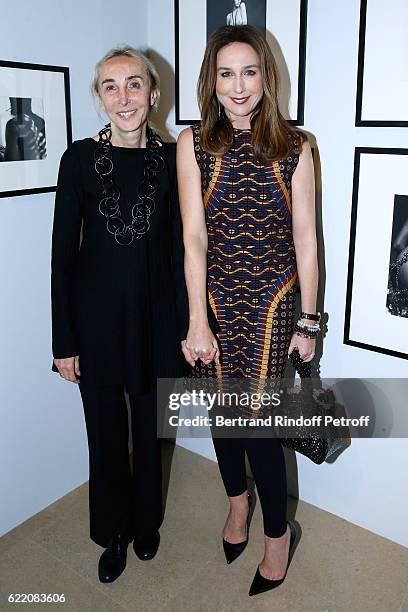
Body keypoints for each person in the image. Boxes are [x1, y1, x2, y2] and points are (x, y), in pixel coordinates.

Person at [177, 25, 319, 597]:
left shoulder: (297, 146)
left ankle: (278, 536)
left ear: (268, 77)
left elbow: (307, 238)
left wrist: (310, 320)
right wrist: (194, 319)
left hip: (272, 305)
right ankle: (237, 507)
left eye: (250, 71)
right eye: (226, 73)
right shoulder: (193, 144)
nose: (239, 86)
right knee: (220, 416)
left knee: (256, 425)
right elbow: (192, 238)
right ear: (212, 80)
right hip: (214, 302)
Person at [51, 46, 187, 583]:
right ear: (99, 97)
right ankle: (113, 531)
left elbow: (182, 250)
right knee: (104, 432)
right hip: (96, 323)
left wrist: (186, 325)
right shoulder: (78, 159)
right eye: (111, 86)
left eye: (134, 84)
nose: (123, 96)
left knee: (152, 429)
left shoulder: (175, 159)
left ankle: (147, 520)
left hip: (155, 317)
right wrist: (64, 340)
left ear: (153, 94)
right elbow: (62, 258)